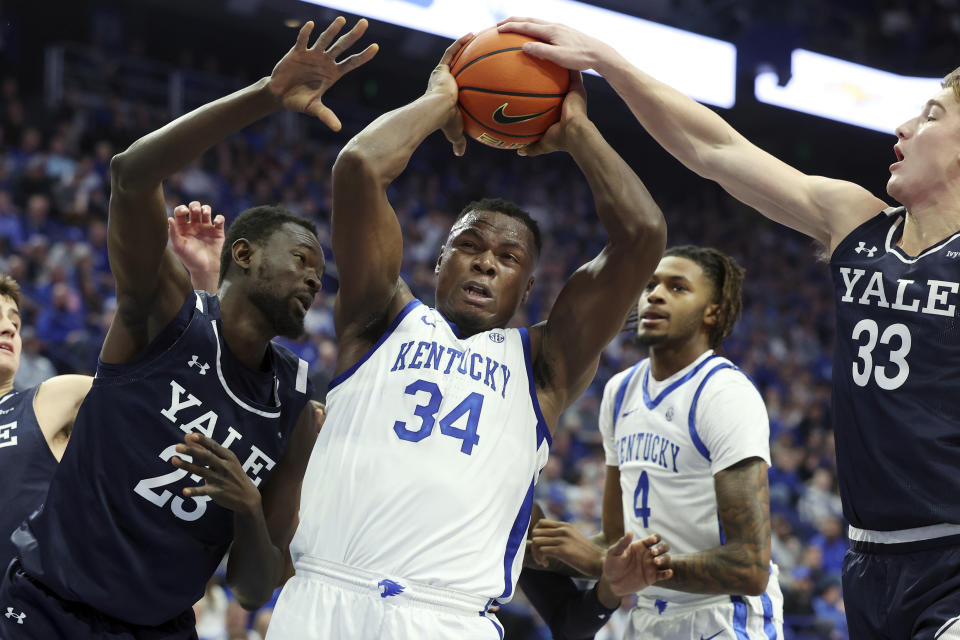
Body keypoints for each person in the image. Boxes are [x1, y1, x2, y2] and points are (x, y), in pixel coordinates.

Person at [497, 17, 960, 639]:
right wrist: (611, 64)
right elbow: (715, 152)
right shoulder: (857, 221)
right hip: (869, 557)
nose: (903, 127)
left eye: (931, 115)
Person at [266, 33, 670, 640]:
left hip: (449, 617)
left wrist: (575, 128)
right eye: (470, 245)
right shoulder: (379, 317)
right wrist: (440, 100)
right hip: (324, 596)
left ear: (528, 289)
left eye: (509, 257)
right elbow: (359, 167)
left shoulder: (543, 362)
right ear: (438, 263)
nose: (485, 262)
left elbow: (642, 234)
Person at [0, 17, 375, 639]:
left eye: (320, 272)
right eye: (302, 260)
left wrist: (249, 508)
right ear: (245, 253)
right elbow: (131, 174)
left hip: (160, 628)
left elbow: (255, 586)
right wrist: (267, 95)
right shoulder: (161, 312)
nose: (314, 280)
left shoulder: (295, 407)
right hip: (48, 611)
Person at [534, 246, 782, 638]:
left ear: (712, 312)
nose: (655, 294)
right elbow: (616, 539)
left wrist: (602, 564)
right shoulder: (620, 392)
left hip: (724, 620)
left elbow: (749, 567)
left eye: (678, 287)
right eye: (650, 285)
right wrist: (552, 548)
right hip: (651, 616)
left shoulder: (723, 393)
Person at [0, 204, 224, 575]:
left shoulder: (49, 399)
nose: (10, 329)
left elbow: (165, 393)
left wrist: (204, 280)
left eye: (16, 321)